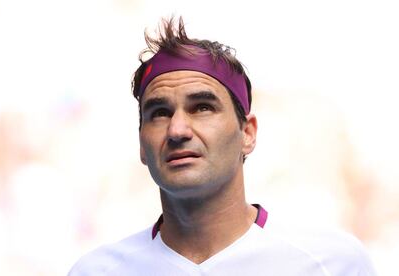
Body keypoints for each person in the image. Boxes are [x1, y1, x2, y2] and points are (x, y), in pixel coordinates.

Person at [68, 17, 376, 275]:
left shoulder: (332, 263)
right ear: (141, 143)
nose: (177, 130)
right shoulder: (97, 271)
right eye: (159, 113)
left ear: (248, 132)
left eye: (202, 107)